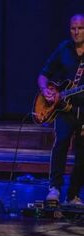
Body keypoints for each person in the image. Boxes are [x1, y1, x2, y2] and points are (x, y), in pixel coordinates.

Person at [38, 13, 84, 204]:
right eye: (73, 28)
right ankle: (54, 188)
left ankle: (72, 194)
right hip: (64, 109)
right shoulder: (64, 49)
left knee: (82, 153)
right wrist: (45, 91)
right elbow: (43, 74)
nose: (76, 32)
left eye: (80, 28)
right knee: (61, 143)